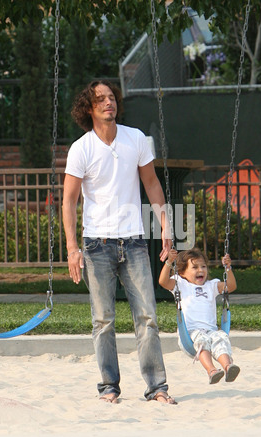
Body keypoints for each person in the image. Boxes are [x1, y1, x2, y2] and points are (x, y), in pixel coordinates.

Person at [62, 80, 176, 404]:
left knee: (148, 317)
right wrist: (72, 248)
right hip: (97, 245)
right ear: (89, 108)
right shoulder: (81, 148)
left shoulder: (135, 138)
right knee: (103, 320)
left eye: (111, 97)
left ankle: (157, 387)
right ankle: (109, 386)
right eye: (101, 99)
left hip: (136, 241)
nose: (109, 102)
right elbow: (69, 201)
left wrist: (167, 226)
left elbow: (152, 185)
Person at [159, 247, 240, 385]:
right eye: (195, 267)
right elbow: (163, 282)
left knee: (220, 338)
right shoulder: (181, 284)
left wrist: (228, 268)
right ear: (183, 272)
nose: (200, 270)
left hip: (211, 331)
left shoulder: (212, 285)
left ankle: (228, 367)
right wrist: (169, 263)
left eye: (203, 266)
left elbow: (231, 286)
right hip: (190, 334)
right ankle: (212, 371)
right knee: (202, 340)